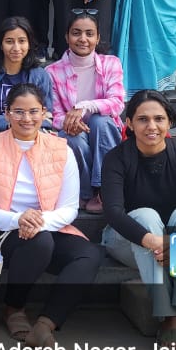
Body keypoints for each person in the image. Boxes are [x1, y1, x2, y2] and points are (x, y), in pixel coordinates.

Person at [0, 83, 104, 350]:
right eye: (18, 112)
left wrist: (38, 221)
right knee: (40, 241)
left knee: (90, 253)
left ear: (45, 113)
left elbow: (69, 208)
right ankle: (14, 308)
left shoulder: (61, 149)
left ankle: (45, 325)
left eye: (33, 112)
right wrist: (17, 219)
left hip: (46, 227)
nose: (26, 118)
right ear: (7, 114)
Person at [100, 90, 176, 350]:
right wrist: (153, 241)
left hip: (172, 242)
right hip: (127, 242)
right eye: (142, 119)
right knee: (146, 216)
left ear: (169, 122)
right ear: (129, 123)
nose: (151, 126)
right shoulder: (116, 158)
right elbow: (113, 212)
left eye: (159, 119)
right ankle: (169, 317)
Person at [46, 11, 125, 213]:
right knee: (72, 137)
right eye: (76, 33)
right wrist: (70, 122)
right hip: (73, 132)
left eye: (89, 34)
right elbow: (54, 114)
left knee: (100, 121)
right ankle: (84, 192)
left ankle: (105, 189)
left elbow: (117, 103)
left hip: (104, 131)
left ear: (97, 38)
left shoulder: (111, 63)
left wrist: (85, 106)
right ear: (67, 37)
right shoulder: (52, 72)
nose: (83, 39)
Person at [0, 16, 54, 138]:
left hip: (28, 139)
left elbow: (47, 116)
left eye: (22, 41)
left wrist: (18, 125)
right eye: (9, 41)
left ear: (29, 44)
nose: (16, 48)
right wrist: (11, 123)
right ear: (0, 45)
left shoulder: (40, 75)